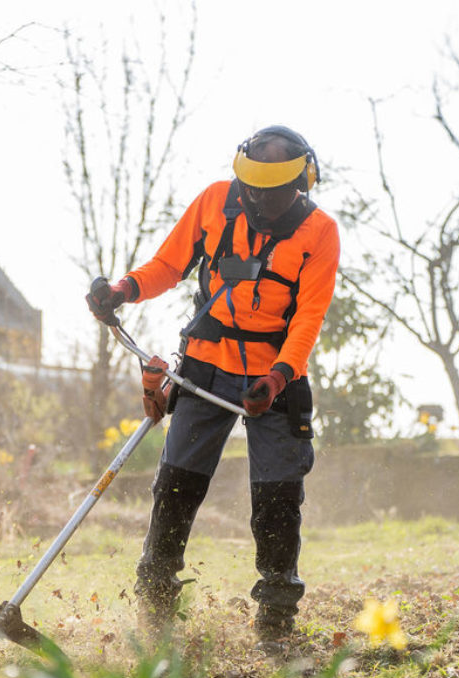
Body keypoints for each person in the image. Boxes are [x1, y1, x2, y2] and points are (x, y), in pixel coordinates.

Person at [86, 125, 340, 650]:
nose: (258, 199)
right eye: (251, 187)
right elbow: (168, 265)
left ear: (302, 181)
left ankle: (274, 614)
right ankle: (155, 599)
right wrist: (123, 290)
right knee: (176, 484)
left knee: (277, 495)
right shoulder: (214, 203)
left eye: (272, 190)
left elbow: (308, 319)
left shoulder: (320, 232)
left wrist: (277, 377)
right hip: (204, 366)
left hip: (275, 377)